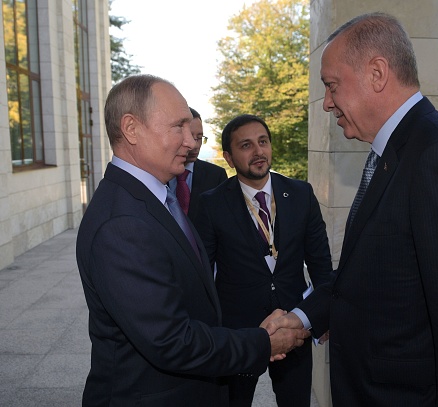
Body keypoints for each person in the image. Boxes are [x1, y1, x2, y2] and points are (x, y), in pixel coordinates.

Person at [265, 12, 438, 406]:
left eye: (332, 86)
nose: (327, 103)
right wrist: (303, 318)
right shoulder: (392, 153)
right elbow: (366, 281)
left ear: (377, 74)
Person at [75, 74, 310, 407]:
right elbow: (171, 340)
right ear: (131, 129)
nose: (190, 142)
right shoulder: (122, 223)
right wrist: (262, 343)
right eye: (178, 127)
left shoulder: (155, 197)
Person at [194, 114, 334, 407]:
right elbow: (202, 275)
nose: (258, 151)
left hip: (295, 327)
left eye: (263, 142)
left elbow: (321, 265)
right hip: (239, 333)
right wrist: (209, 335)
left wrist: (320, 317)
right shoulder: (211, 204)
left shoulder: (300, 194)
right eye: (246, 145)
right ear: (229, 158)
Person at [169, 107, 228, 224]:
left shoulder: (216, 176)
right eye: (190, 136)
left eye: (200, 138)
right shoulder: (157, 173)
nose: (195, 145)